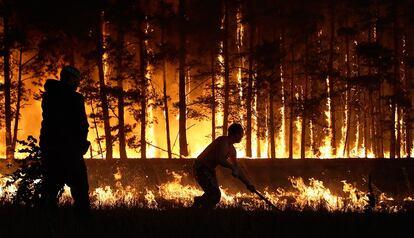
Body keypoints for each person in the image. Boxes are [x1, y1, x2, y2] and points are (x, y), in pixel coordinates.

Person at [39, 65, 91, 215]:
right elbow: (81, 125)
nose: (78, 83)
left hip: (51, 150)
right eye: (76, 80)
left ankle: (46, 223)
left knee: (50, 188)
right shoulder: (75, 99)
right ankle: (83, 224)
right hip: (70, 151)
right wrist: (80, 144)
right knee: (80, 188)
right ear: (69, 79)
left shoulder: (49, 97)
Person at [192, 123, 255, 209]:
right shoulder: (223, 141)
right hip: (201, 167)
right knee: (214, 194)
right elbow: (220, 159)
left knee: (214, 195)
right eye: (241, 133)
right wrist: (232, 168)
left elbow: (237, 168)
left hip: (210, 169)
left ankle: (200, 208)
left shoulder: (232, 150)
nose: (242, 136)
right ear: (236, 134)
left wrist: (248, 184)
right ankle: (199, 206)